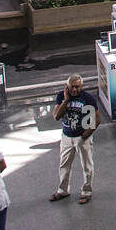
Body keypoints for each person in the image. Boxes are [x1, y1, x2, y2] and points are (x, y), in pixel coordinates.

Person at [49, 74, 98, 204]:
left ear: (82, 86)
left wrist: (84, 136)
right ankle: (62, 190)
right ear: (67, 87)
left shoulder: (87, 99)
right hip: (66, 137)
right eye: (72, 87)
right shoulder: (61, 96)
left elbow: (96, 120)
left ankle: (86, 191)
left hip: (82, 137)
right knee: (64, 165)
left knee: (87, 166)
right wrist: (65, 100)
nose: (74, 90)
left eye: (77, 87)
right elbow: (56, 116)